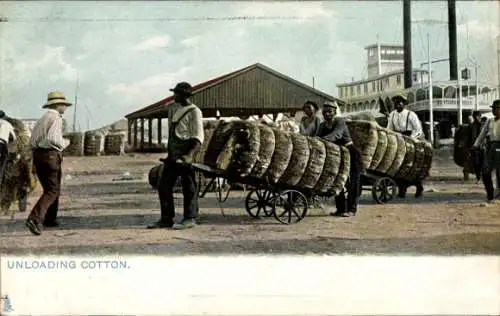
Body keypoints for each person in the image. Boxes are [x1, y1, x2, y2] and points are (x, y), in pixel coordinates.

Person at [148, 82, 204, 230]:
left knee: (189, 187)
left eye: (176, 94)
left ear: (184, 95)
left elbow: (198, 138)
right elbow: (175, 136)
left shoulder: (194, 111)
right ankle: (166, 219)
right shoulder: (178, 110)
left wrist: (189, 156)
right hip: (173, 156)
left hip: (186, 155)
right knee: (163, 185)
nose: (174, 96)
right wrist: (169, 155)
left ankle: (190, 218)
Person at [25, 91, 71, 236]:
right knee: (53, 190)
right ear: (57, 105)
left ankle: (50, 219)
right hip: (51, 155)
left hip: (38, 155)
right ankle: (34, 218)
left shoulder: (42, 118)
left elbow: (32, 142)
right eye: (64, 105)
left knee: (49, 188)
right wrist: (65, 143)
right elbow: (53, 139)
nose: (65, 107)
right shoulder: (56, 118)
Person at [316, 101, 363, 217]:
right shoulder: (322, 126)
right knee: (336, 181)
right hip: (336, 155)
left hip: (350, 153)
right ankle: (341, 209)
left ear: (335, 112)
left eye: (329, 112)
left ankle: (352, 209)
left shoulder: (340, 122)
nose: (327, 114)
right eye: (325, 112)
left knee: (352, 183)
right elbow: (315, 137)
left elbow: (336, 135)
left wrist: (321, 140)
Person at [387, 93, 425, 198]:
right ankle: (402, 188)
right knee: (398, 164)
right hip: (398, 139)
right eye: (395, 103)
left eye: (399, 103)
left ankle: (419, 186)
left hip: (410, 139)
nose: (397, 105)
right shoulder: (392, 115)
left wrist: (411, 139)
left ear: (404, 104)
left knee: (410, 165)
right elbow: (389, 129)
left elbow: (418, 129)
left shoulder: (411, 114)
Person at [473, 99, 500, 202]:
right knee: (485, 171)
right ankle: (490, 193)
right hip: (491, 147)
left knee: (499, 173)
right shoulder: (489, 121)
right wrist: (476, 145)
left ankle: (498, 195)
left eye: (496, 109)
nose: (494, 111)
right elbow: (482, 135)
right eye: (493, 109)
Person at [0, 110, 16, 185]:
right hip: (2, 144)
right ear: (4, 117)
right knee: (2, 164)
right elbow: (13, 137)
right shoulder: (7, 124)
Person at [467, 111, 484, 182]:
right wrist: (468, 148)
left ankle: (483, 177)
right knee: (476, 163)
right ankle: (478, 177)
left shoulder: (484, 125)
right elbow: (468, 138)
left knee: (483, 163)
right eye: (476, 116)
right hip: (474, 148)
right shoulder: (471, 126)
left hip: (483, 147)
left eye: (478, 116)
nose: (477, 117)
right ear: (474, 117)